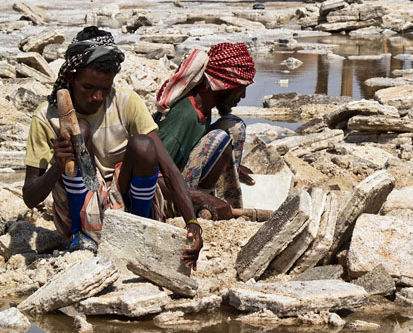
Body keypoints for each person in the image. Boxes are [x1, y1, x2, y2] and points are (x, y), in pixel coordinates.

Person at [23, 27, 203, 266]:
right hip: (77, 206)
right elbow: (29, 196)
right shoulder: (47, 117)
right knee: (80, 130)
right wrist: (57, 165)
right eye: (88, 88)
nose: (97, 97)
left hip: (124, 199)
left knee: (144, 144)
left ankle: (139, 228)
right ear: (71, 78)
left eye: (104, 89)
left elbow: (169, 169)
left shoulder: (126, 103)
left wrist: (193, 224)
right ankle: (82, 236)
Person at [154, 43, 257, 219]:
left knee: (233, 126)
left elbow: (196, 150)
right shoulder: (183, 117)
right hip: (170, 199)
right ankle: (206, 209)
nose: (243, 96)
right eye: (241, 88)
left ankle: (226, 203)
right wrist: (204, 198)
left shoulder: (204, 106)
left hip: (184, 184)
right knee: (219, 138)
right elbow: (152, 178)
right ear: (224, 85)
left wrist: (231, 166)